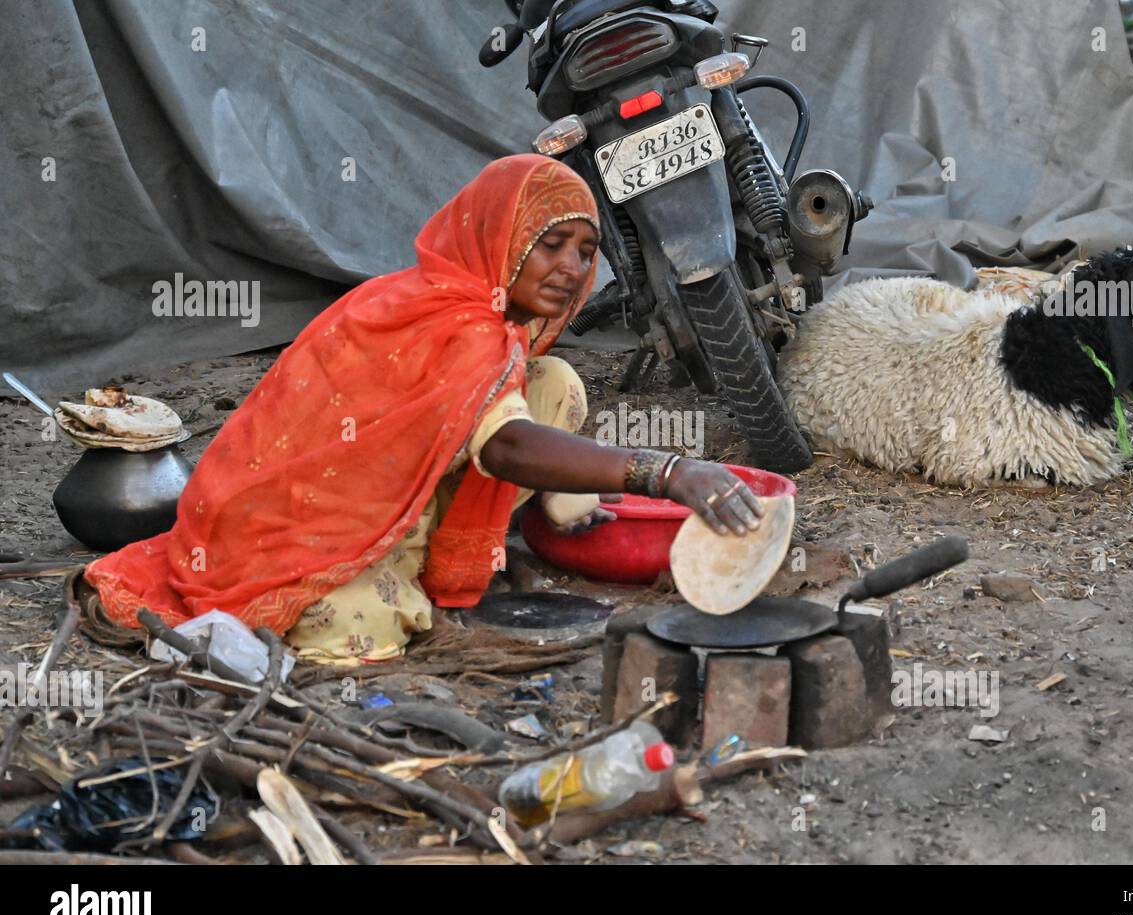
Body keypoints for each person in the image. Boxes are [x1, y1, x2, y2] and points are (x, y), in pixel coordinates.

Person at [85, 154, 763, 665]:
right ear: (498, 234)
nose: (568, 268)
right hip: (299, 522)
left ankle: (553, 509)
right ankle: (392, 568)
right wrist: (669, 471)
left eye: (586, 253)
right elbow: (505, 448)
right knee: (364, 634)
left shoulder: (477, 316)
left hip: (385, 490)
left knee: (552, 380)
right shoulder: (455, 321)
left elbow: (500, 427)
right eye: (549, 244)